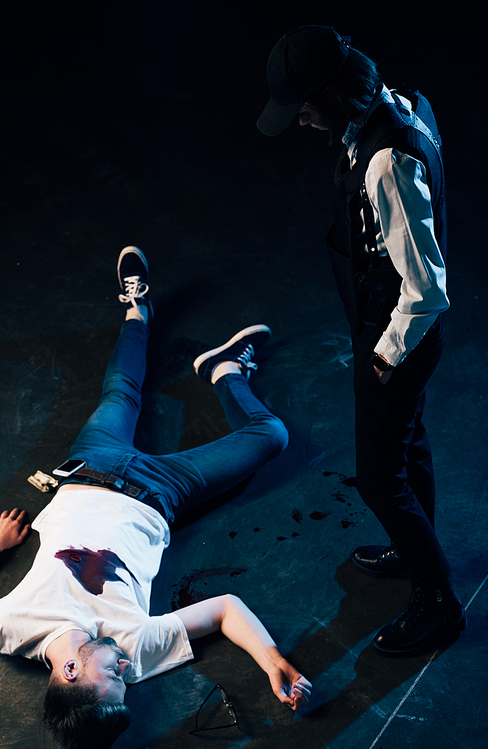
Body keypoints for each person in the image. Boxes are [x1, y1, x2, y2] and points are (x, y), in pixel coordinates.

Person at [0, 246, 311, 749]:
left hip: (89, 470)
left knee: (121, 391)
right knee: (272, 436)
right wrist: (274, 659)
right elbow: (226, 609)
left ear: (70, 670)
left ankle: (136, 309)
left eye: (111, 675)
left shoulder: (11, 627)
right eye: (124, 677)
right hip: (162, 492)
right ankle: (225, 371)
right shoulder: (135, 651)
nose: (122, 669)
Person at [256, 25, 466, 657]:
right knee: (408, 445)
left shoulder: (386, 161)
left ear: (331, 95)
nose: (299, 122)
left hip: (398, 337)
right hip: (401, 333)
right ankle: (413, 550)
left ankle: (438, 604)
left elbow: (426, 286)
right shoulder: (392, 108)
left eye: (304, 109)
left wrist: (384, 354)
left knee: (379, 479)